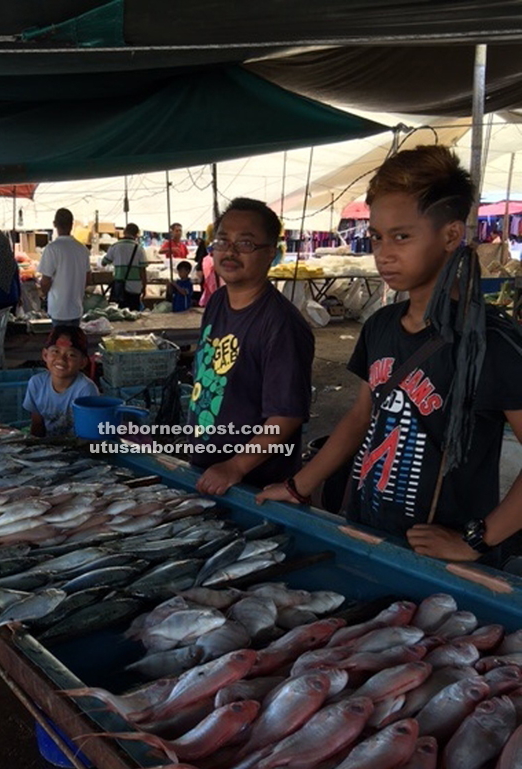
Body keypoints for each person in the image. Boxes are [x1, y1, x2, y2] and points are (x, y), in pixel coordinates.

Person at [257, 145, 522, 567]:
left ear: (451, 235)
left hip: (442, 559)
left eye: (402, 236)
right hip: (369, 531)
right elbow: (361, 417)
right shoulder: (381, 325)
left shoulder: (489, 341)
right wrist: (298, 486)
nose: (384, 252)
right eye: (377, 237)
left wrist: (477, 539)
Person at [189, 197, 314, 495]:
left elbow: (287, 415)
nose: (230, 251)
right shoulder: (218, 300)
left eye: (245, 244)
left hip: (253, 485)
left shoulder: (281, 325)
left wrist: (236, 466)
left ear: (271, 253)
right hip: (209, 470)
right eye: (222, 240)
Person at [22, 325, 98, 437]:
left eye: (71, 355)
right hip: (49, 446)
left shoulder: (86, 389)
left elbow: (88, 434)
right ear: (45, 355)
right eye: (55, 351)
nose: (61, 359)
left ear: (82, 362)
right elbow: (37, 426)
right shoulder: (36, 384)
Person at [38, 208, 91, 327]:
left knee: (59, 344)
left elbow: (45, 282)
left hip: (58, 310)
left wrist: (44, 292)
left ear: (54, 224)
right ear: (72, 225)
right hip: (76, 309)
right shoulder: (82, 249)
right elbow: (88, 280)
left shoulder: (51, 249)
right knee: (73, 344)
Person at [101, 222, 147, 311]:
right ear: (137, 234)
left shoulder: (115, 246)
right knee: (134, 314)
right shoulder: (139, 249)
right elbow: (142, 271)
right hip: (135, 287)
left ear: (124, 232)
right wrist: (144, 287)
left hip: (120, 287)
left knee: (121, 313)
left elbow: (104, 263)